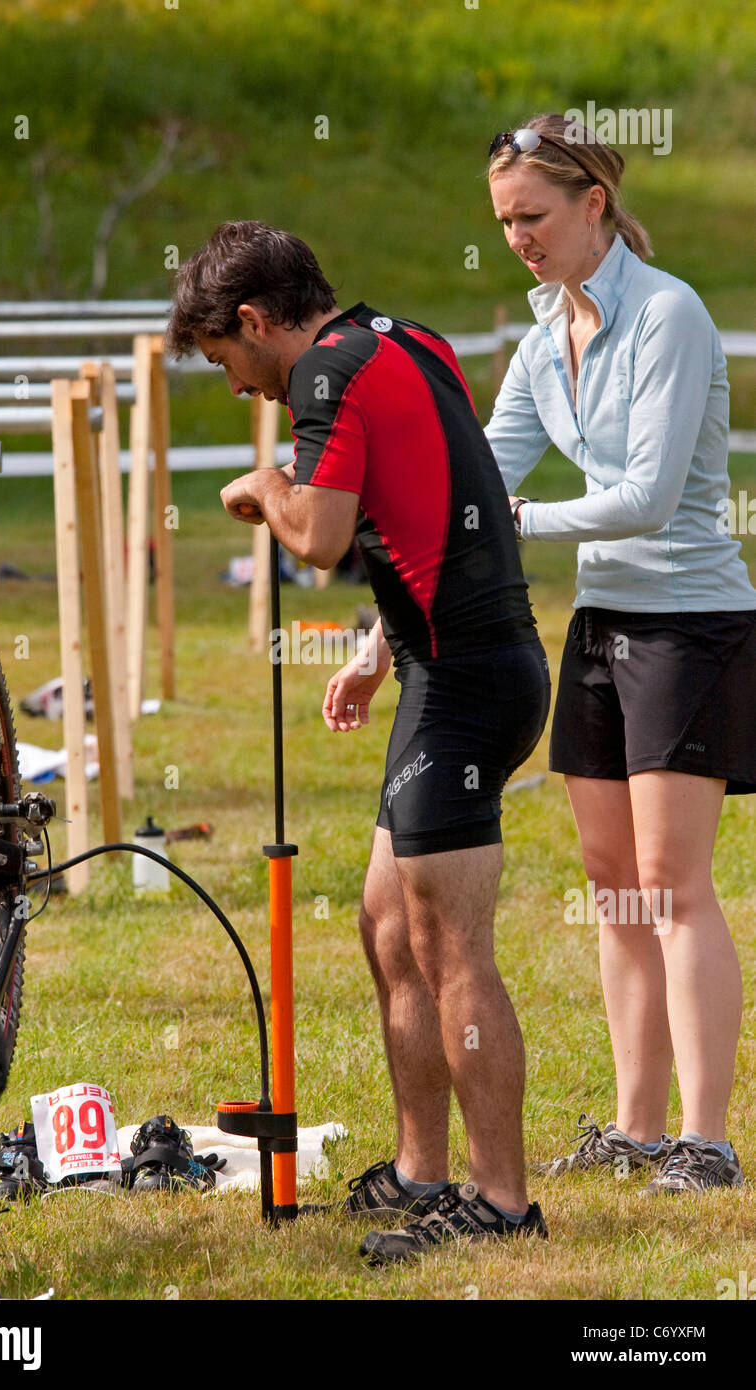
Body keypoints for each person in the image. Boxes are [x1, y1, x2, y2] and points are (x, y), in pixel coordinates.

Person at [166, 221, 551, 1264]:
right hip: (447, 667)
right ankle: (421, 1173)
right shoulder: (406, 339)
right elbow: (431, 507)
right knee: (387, 927)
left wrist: (262, 492)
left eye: (229, 365)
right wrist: (376, 653)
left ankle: (503, 1204)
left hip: (468, 685)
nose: (244, 390)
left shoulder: (324, 380)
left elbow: (321, 537)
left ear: (253, 321)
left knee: (450, 950)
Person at [483, 114, 756, 1194]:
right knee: (611, 885)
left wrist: (508, 518)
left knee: (669, 881)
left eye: (534, 217)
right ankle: (636, 1128)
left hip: (689, 619)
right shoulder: (540, 332)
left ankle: (705, 1139)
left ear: (593, 203)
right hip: (599, 624)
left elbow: (641, 499)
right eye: (502, 222)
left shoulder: (670, 314)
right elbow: (481, 465)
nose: (518, 240)